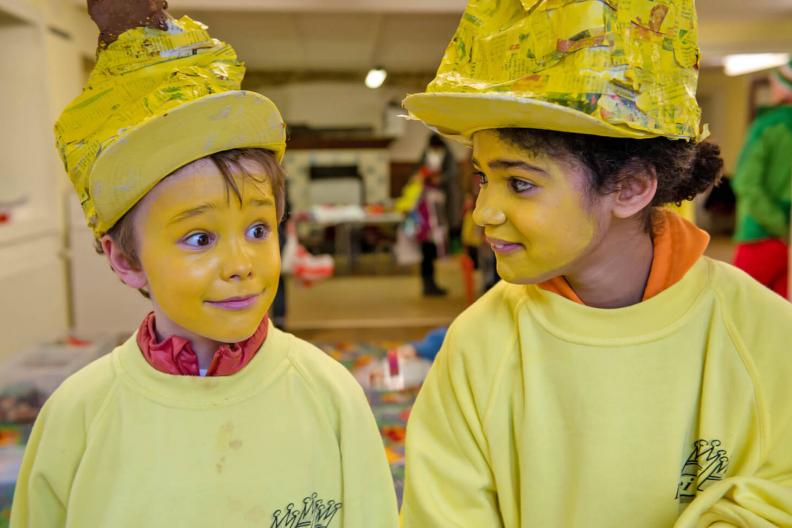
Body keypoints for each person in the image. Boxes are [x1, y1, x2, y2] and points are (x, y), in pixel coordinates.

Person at [400, 0, 792, 526]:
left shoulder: (764, 332)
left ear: (630, 188)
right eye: (483, 178)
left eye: (520, 183)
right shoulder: (478, 344)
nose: (483, 212)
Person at [10, 2, 398, 526]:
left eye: (258, 230)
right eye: (199, 237)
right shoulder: (76, 416)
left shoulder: (331, 394)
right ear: (125, 259)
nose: (241, 264)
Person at [731, 62, 792, 298]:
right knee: (783, 313)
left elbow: (746, 182)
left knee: (738, 307)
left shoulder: (766, 126)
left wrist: (777, 225)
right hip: (786, 239)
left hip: (760, 235)